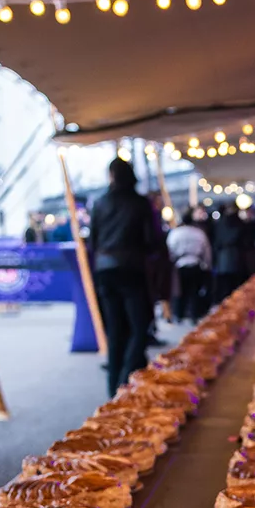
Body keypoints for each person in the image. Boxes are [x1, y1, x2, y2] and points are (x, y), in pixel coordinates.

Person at [88, 157, 161, 396]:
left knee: (116, 330)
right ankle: (124, 380)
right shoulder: (140, 203)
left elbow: (94, 240)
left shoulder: (99, 203)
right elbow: (152, 240)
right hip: (131, 268)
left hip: (105, 269)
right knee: (139, 327)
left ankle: (114, 388)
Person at [167, 209, 212, 323]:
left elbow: (169, 250)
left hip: (180, 265)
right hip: (195, 264)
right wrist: (207, 266)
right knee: (194, 292)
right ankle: (194, 315)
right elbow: (206, 251)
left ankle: (178, 315)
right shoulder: (199, 233)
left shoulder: (175, 233)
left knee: (179, 291)